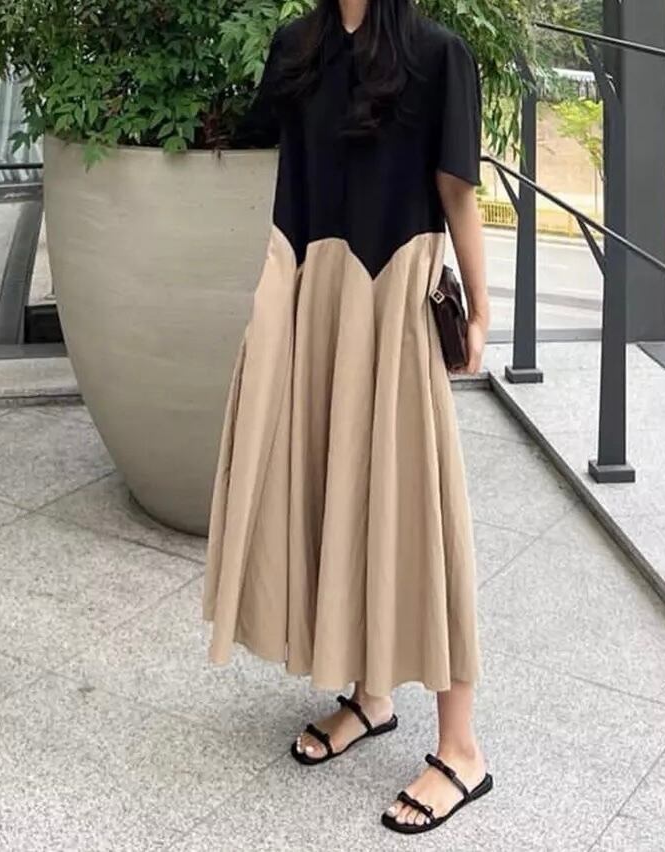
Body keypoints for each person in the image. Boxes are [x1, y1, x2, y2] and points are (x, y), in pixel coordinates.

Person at [204, 0, 492, 835]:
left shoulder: (441, 55)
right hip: (307, 300)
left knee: (416, 506)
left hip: (392, 302)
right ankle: (371, 697)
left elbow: (456, 194)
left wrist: (480, 309)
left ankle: (462, 750)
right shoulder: (297, 45)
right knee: (334, 488)